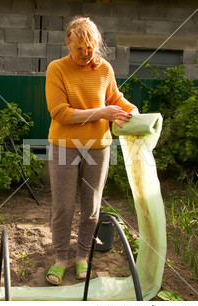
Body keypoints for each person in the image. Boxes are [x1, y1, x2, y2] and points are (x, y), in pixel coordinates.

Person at [45, 16, 139, 285]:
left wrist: (133, 111)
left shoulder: (104, 69)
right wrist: (102, 112)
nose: (86, 53)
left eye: (91, 47)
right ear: (68, 43)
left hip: (98, 147)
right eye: (80, 48)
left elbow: (114, 99)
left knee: (91, 208)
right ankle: (61, 259)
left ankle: (82, 257)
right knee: (63, 207)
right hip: (65, 147)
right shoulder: (57, 69)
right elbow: (60, 113)